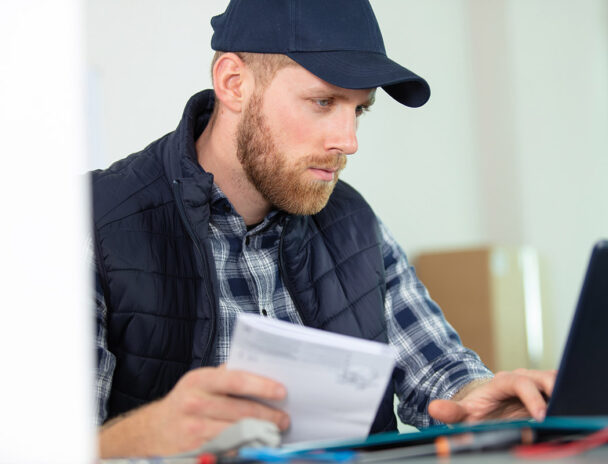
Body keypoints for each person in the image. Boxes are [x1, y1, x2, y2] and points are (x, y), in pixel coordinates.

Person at [92, 0, 556, 458]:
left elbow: (442, 375)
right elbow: (41, 444)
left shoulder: (353, 221)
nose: (348, 141)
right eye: (323, 101)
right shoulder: (92, 223)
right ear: (233, 83)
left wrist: (483, 402)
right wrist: (148, 434)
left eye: (359, 110)